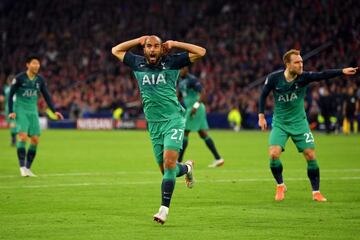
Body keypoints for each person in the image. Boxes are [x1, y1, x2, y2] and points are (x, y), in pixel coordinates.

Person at [111, 35, 206, 224]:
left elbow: (201, 52)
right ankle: (187, 168)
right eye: (149, 46)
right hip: (153, 125)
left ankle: (163, 210)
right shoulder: (137, 63)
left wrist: (175, 44)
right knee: (167, 171)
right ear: (144, 49)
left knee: (169, 164)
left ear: (162, 49)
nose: (153, 50)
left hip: (174, 120)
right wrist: (137, 40)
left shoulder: (172, 61)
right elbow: (116, 50)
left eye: (156, 46)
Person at [258, 49, 358, 202]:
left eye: (301, 62)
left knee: (310, 155)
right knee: (273, 154)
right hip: (280, 123)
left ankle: (316, 192)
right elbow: (263, 95)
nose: (301, 65)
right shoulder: (274, 78)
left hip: (300, 123)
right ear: (288, 64)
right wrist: (261, 116)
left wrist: (342, 71)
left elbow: (323, 74)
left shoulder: (304, 78)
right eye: (297, 62)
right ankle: (280, 185)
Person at [8, 55, 64, 177]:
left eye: (38, 63)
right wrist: (11, 111)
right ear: (27, 65)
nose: (37, 66)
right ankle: (22, 167)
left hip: (33, 111)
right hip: (21, 109)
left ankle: (28, 168)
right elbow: (10, 95)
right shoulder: (19, 78)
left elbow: (47, 95)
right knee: (22, 137)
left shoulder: (40, 80)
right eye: (34, 63)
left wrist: (54, 111)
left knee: (35, 140)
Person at [178, 67, 224, 167]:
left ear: (186, 68)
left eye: (182, 68)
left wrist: (195, 106)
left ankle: (178, 161)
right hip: (190, 109)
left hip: (195, 108)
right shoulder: (180, 80)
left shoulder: (192, 79)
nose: (180, 70)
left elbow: (203, 93)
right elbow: (180, 95)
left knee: (184, 132)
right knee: (203, 134)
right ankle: (218, 158)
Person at [3, 75, 17, 146]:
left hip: (8, 108)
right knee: (14, 123)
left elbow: (3, 98)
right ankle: (14, 137)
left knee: (12, 123)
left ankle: (13, 138)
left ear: (8, 81)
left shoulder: (6, 89)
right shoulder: (17, 88)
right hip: (16, 107)